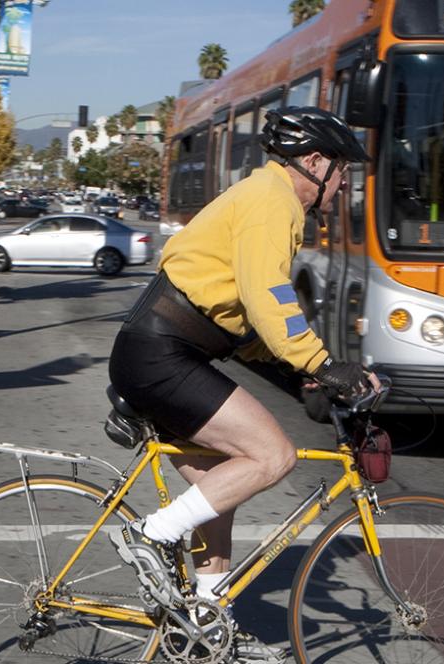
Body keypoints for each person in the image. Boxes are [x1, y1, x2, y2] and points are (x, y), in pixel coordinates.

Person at [108, 107, 381, 662]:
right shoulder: (272, 201)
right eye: (342, 169)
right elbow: (270, 298)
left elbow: (243, 319)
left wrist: (303, 370)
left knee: (217, 497)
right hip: (163, 354)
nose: (346, 182)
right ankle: (150, 534)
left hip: (161, 350)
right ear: (313, 162)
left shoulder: (268, 197)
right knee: (273, 454)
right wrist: (323, 363)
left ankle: (207, 630)